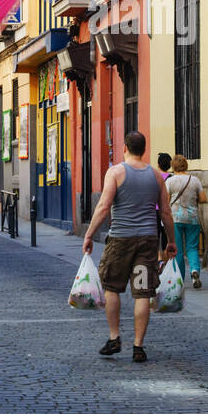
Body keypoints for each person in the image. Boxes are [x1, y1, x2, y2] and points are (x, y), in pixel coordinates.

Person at [81, 131, 177, 363]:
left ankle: (114, 337)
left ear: (124, 147)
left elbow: (103, 207)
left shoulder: (115, 172)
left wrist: (89, 235)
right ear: (144, 149)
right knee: (143, 292)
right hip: (147, 241)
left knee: (112, 288)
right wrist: (171, 242)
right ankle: (138, 346)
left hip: (120, 241)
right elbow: (165, 212)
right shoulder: (155, 176)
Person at [165, 155, 208, 288]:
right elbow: (203, 198)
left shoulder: (170, 182)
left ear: (173, 166)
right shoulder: (195, 180)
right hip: (192, 218)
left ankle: (180, 279)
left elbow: (165, 202)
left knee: (177, 249)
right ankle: (194, 270)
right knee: (192, 248)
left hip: (175, 219)